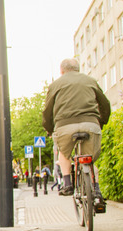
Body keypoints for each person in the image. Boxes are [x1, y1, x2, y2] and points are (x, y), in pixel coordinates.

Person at [42, 58, 110, 199]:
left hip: (64, 126)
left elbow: (47, 111)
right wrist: (101, 122)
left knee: (64, 153)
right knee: (89, 160)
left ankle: (67, 183)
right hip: (90, 124)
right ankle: (96, 190)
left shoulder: (55, 84)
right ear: (78, 69)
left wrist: (49, 129)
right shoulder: (90, 81)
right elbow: (105, 104)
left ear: (61, 71)